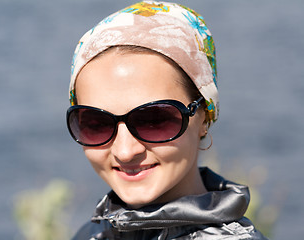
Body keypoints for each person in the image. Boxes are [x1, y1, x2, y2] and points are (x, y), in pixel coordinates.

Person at [67, 1, 268, 239]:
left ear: (204, 115)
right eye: (96, 123)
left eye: (154, 119)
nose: (125, 151)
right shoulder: (91, 233)